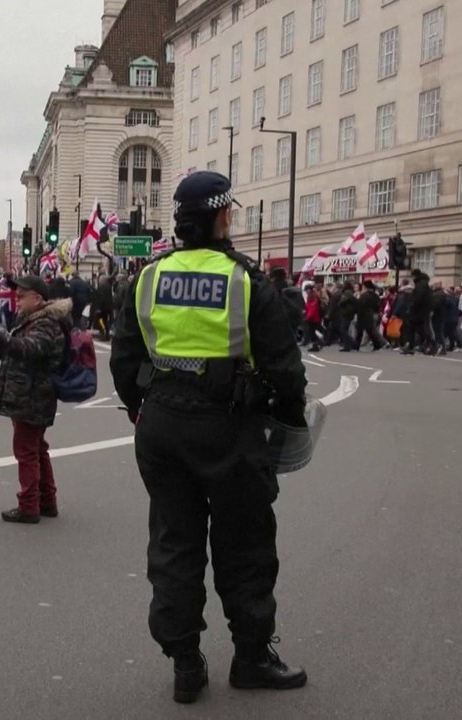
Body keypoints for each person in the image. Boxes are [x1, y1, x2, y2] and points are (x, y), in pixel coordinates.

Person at [109, 171, 309, 704]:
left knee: (175, 541)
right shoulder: (246, 282)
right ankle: (250, 657)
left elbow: (125, 358)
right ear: (222, 216)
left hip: (162, 424)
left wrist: (140, 409)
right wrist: (289, 425)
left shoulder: (148, 277)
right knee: (244, 543)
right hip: (230, 425)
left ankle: (185, 663)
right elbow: (286, 371)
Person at [0, 275, 69, 524]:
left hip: (33, 395)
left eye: (22, 295)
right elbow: (21, 354)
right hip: (29, 392)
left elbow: (29, 349)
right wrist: (0, 345)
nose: (17, 299)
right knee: (37, 448)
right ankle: (46, 500)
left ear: (37, 298)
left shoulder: (46, 322)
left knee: (26, 450)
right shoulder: (34, 320)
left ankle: (29, 505)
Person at [354, 280, 386, 351]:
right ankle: (377, 344)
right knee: (371, 331)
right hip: (371, 314)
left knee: (360, 331)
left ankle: (356, 346)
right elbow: (377, 305)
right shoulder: (375, 295)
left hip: (363, 315)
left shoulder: (364, 295)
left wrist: (357, 311)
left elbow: (360, 305)